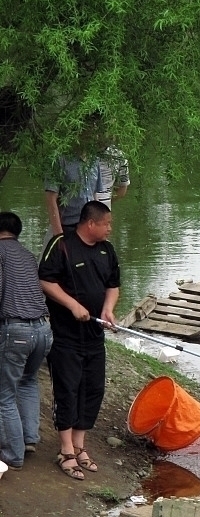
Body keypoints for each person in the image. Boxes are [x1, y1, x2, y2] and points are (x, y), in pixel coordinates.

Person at [38, 200, 119, 481]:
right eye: (107, 223)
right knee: (68, 390)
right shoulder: (61, 245)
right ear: (91, 223)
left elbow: (113, 285)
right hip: (65, 337)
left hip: (94, 336)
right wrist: (72, 304)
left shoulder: (107, 250)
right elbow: (45, 281)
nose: (110, 228)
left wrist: (108, 308)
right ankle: (66, 450)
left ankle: (80, 445)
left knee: (93, 389)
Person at [0, 212, 52, 470]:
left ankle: (12, 454)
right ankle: (29, 438)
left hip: (16, 330)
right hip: (43, 329)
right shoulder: (28, 255)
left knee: (4, 395)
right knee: (29, 381)